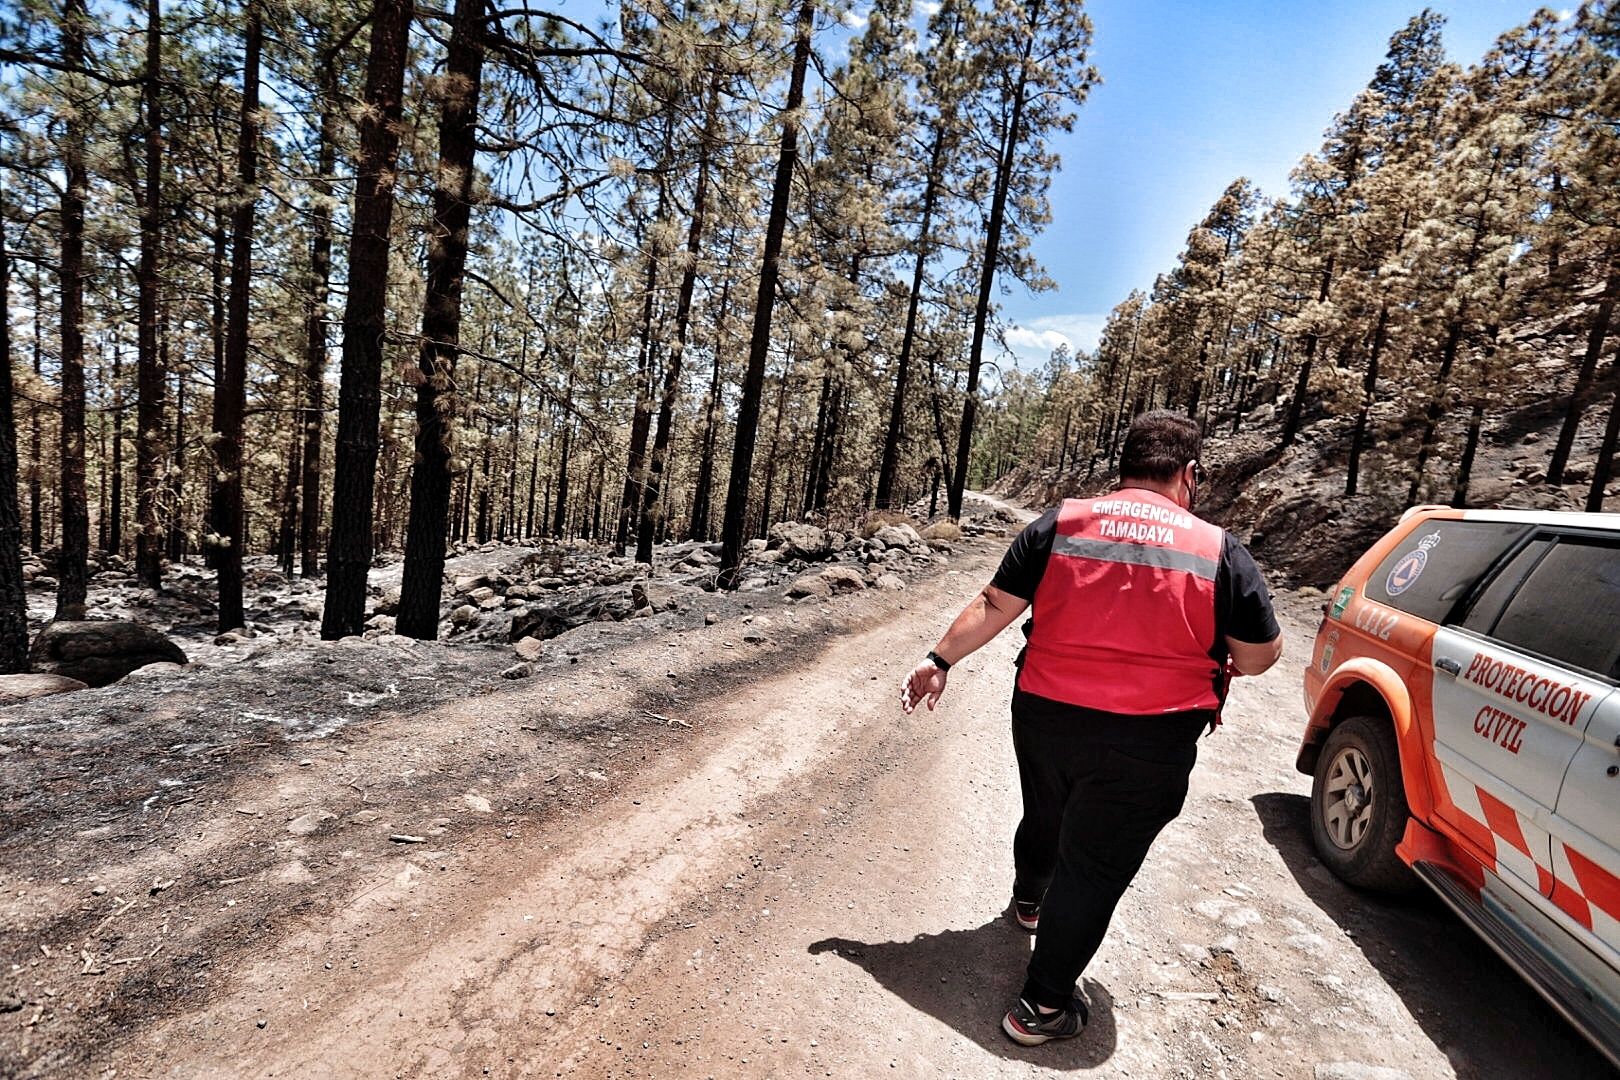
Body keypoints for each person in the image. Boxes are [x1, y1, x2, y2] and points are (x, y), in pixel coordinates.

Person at [899, 409, 1282, 1047]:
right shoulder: (1219, 550)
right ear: (1189, 474)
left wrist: (938, 660)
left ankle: (1028, 903)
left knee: (1047, 809)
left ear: (1123, 469)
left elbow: (996, 604)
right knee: (1095, 866)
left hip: (1046, 714)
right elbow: (1258, 656)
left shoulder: (1061, 523)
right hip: (1150, 737)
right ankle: (1041, 1007)